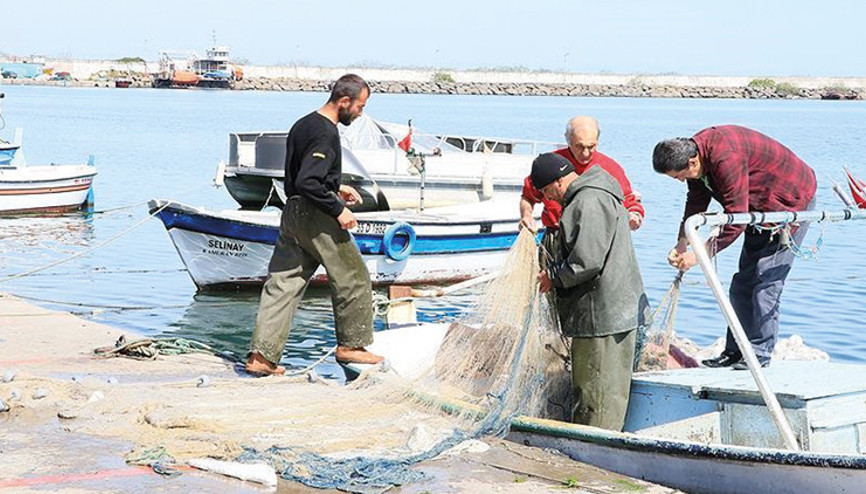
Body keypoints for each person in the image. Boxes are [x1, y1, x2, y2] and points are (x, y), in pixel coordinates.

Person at [245, 74, 383, 376]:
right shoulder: (325, 132)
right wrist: (337, 209)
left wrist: (336, 187)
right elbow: (309, 180)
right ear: (343, 101)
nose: (360, 113)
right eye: (360, 106)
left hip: (292, 212)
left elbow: (301, 177)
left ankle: (261, 358)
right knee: (353, 276)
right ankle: (352, 345)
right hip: (315, 216)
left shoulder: (303, 124)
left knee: (283, 284)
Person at [653, 125, 817, 370]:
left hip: (789, 203)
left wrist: (698, 255)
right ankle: (735, 350)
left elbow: (735, 219)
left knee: (766, 283)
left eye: (679, 176)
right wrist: (683, 240)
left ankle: (759, 354)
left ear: (692, 161)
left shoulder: (724, 157)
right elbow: (696, 200)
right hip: (756, 209)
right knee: (742, 283)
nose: (679, 181)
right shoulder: (695, 158)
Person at [533, 152, 649, 431]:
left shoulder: (586, 201)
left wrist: (552, 276)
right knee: (609, 391)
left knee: (595, 393)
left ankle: (593, 452)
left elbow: (587, 261)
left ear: (558, 181)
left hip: (602, 316)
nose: (551, 199)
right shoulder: (600, 191)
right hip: (616, 311)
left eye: (548, 192)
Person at [519, 116, 645, 245]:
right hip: (556, 237)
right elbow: (528, 197)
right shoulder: (550, 165)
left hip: (596, 240)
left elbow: (631, 204)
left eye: (591, 147)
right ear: (568, 141)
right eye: (579, 146)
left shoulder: (611, 168)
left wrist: (633, 217)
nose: (585, 153)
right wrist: (526, 215)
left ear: (597, 141)